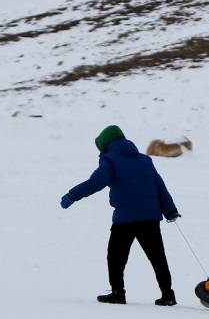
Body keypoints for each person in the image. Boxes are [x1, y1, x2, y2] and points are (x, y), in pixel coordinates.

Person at [60, 125, 180, 306]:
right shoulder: (145, 160)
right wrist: (170, 210)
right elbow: (160, 187)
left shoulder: (110, 160)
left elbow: (95, 182)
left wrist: (72, 195)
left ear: (106, 144)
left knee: (116, 257)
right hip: (150, 218)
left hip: (125, 219)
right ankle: (168, 295)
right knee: (157, 257)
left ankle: (118, 293)